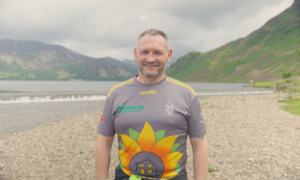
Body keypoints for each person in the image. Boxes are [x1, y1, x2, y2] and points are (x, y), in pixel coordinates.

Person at [95, 29, 208, 180]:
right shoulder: (116, 94)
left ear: (168, 55)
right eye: (144, 52)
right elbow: (104, 143)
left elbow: (199, 146)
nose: (150, 58)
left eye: (158, 53)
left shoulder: (187, 94)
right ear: (135, 54)